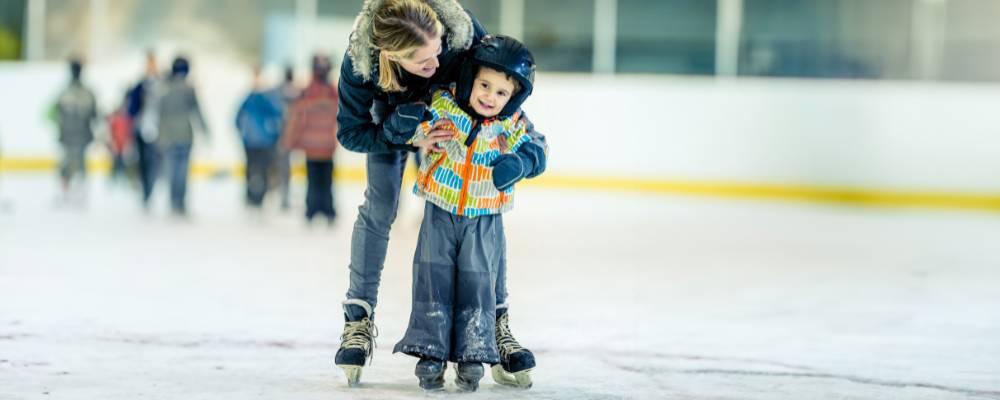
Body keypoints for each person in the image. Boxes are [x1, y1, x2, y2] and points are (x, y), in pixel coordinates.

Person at [333, 0, 547, 388]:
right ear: (390, 56)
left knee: (483, 210)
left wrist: (522, 154)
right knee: (379, 207)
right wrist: (405, 135)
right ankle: (358, 320)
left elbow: (502, 88)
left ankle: (496, 324)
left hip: (452, 116)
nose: (435, 63)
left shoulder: (461, 33)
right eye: (422, 61)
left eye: (438, 52)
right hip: (393, 120)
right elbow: (350, 133)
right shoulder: (360, 65)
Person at [391, 35, 538, 392]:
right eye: (484, 85)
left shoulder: (511, 124)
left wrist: (523, 161)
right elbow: (415, 128)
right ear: (471, 79)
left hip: (484, 217)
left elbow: (537, 147)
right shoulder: (446, 107)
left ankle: (474, 352)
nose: (490, 97)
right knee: (432, 279)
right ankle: (430, 351)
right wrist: (407, 123)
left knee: (477, 284)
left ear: (513, 97)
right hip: (440, 210)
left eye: (501, 93)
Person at [282, 55, 339, 223]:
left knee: (315, 179)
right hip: (326, 145)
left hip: (314, 146)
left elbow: (296, 117)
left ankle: (313, 210)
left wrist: (290, 140)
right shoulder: (331, 92)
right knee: (325, 180)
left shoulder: (307, 91)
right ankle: (326, 211)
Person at [156, 56, 208, 216]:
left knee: (172, 169)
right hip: (185, 135)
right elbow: (197, 111)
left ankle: (173, 201)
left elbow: (158, 113)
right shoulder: (188, 88)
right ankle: (180, 202)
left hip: (168, 136)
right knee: (182, 170)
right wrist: (205, 130)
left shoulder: (164, 88)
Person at [236, 67, 284, 208]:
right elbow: (237, 118)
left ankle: (258, 197)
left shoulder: (265, 99)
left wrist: (273, 134)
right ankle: (251, 196)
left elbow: (278, 116)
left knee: (261, 169)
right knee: (252, 168)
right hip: (253, 141)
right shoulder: (251, 98)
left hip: (262, 141)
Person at [54, 58, 98, 203]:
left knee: (67, 164)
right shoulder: (87, 93)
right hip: (81, 135)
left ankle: (68, 193)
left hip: (68, 135)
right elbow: (94, 115)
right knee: (79, 163)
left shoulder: (64, 92)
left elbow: (56, 113)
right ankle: (78, 193)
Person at [127, 50, 164, 210]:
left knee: (155, 161)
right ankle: (145, 191)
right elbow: (131, 109)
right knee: (142, 160)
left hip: (159, 129)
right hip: (141, 128)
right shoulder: (139, 85)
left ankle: (151, 187)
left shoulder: (163, 84)